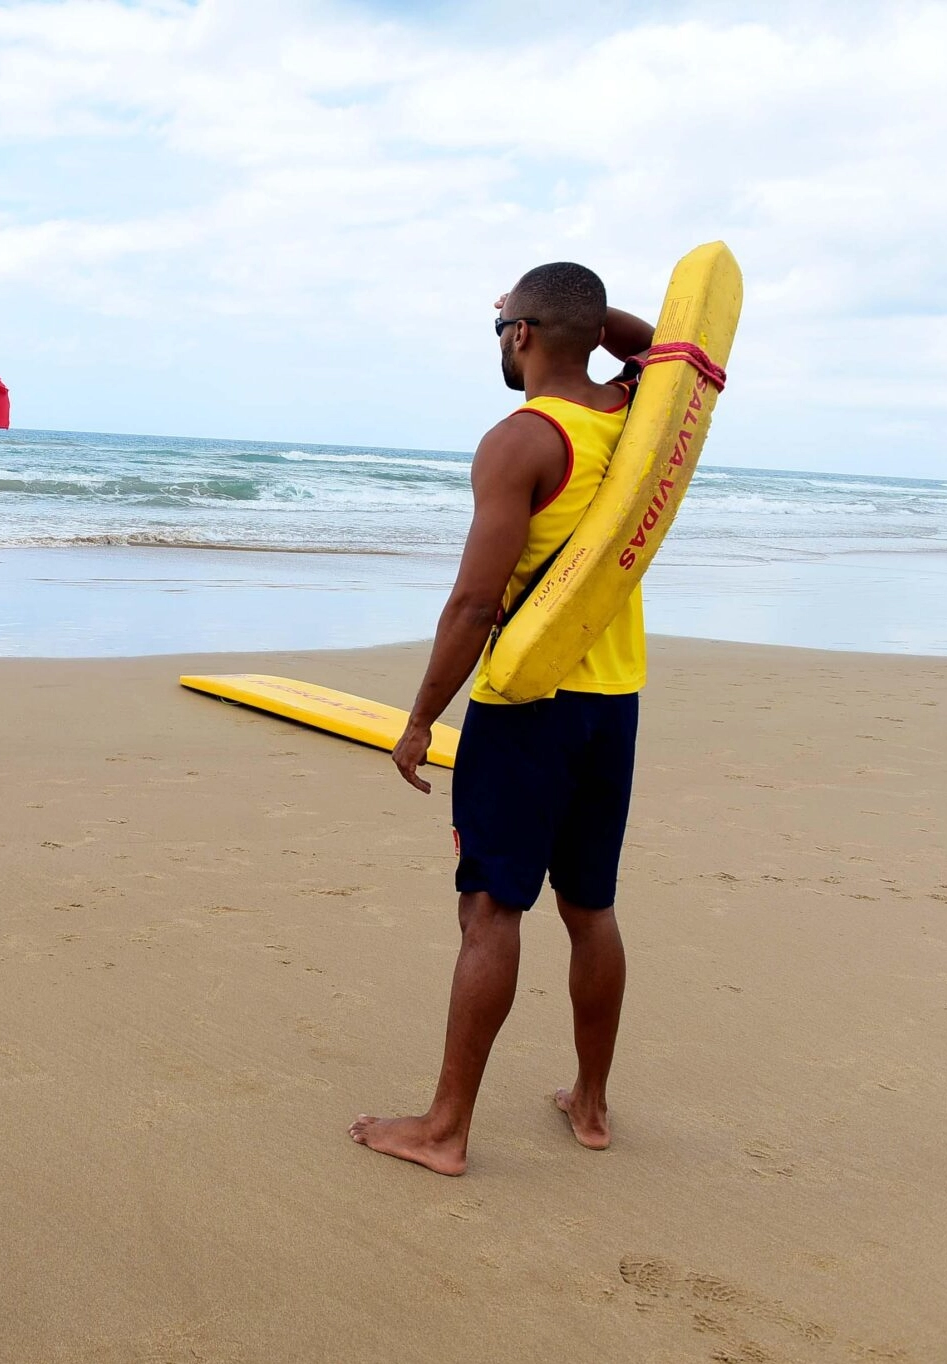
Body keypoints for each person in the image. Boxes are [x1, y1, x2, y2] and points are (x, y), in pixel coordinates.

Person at [349, 262, 654, 1176]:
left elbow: (475, 602)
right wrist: (582, 319)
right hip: (614, 699)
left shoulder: (520, 440)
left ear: (520, 337)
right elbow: (652, 346)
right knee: (590, 907)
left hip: (527, 708)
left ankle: (445, 1130)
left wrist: (417, 720)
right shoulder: (632, 413)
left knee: (491, 910)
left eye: (503, 328)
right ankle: (590, 1105)